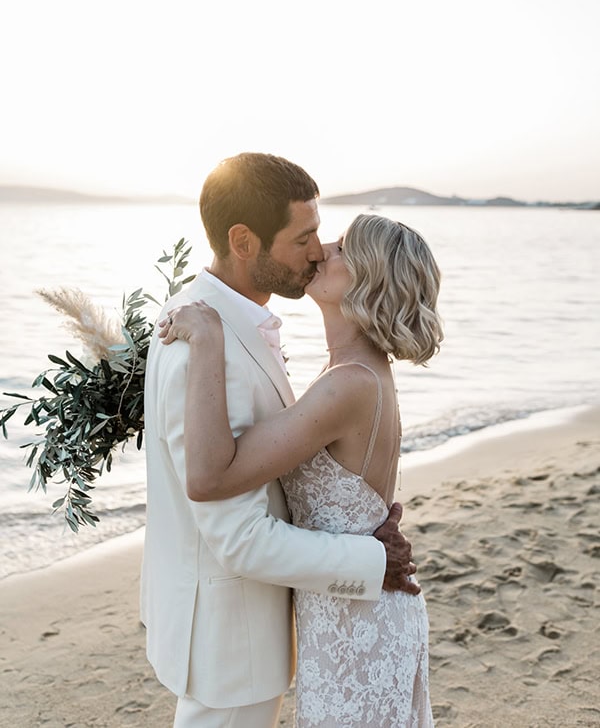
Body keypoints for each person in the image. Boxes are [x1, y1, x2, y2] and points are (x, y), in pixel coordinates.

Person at [140, 153, 421, 728]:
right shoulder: (201, 337)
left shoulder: (237, 329)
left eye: (327, 239)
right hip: (230, 631)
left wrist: (363, 531)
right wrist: (368, 554)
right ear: (244, 242)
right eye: (307, 238)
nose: (319, 251)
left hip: (294, 626)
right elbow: (232, 526)